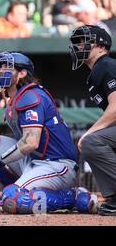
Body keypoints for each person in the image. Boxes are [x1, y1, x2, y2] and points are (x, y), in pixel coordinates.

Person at [0, 51, 98, 214]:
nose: (0, 72)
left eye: (7, 68)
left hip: (56, 165)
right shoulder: (13, 99)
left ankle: (73, 198)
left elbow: (30, 142)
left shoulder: (31, 95)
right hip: (33, 160)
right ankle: (17, 189)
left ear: (22, 73)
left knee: (15, 199)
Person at [69, 25, 116, 216]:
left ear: (101, 47)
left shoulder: (106, 65)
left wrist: (89, 133)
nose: (80, 46)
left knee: (91, 141)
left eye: (85, 41)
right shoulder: (97, 70)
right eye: (78, 43)